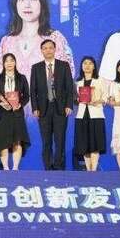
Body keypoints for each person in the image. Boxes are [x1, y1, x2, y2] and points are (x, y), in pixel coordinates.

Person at [0, 0, 75, 87]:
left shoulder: (55, 38)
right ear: (15, 3)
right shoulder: (7, 41)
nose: (27, 5)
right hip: (12, 98)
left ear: (42, 3)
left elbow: (67, 75)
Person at [30, 39, 75, 171]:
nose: (48, 50)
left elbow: (69, 88)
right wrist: (35, 108)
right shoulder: (36, 67)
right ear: (41, 51)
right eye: (45, 48)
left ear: (55, 49)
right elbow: (33, 90)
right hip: (43, 109)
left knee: (60, 140)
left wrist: (69, 105)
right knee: (46, 141)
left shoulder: (64, 65)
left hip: (61, 108)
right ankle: (48, 168)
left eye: (50, 48)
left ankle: (59, 167)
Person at [0, 53, 30, 170]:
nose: (9, 63)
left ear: (15, 62)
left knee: (17, 140)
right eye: (6, 61)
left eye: (11, 60)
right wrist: (1, 103)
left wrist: (20, 104)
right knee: (2, 141)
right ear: (3, 63)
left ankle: (15, 168)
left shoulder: (22, 78)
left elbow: (26, 96)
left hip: (17, 113)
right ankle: (6, 167)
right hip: (2, 114)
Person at [73, 56, 107, 172]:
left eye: (90, 63)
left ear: (94, 66)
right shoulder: (77, 82)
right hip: (82, 115)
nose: (87, 65)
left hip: (96, 115)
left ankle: (94, 169)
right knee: (84, 144)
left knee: (95, 144)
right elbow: (75, 99)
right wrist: (78, 100)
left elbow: (105, 97)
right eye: (85, 63)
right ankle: (88, 170)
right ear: (81, 66)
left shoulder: (100, 80)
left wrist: (97, 101)